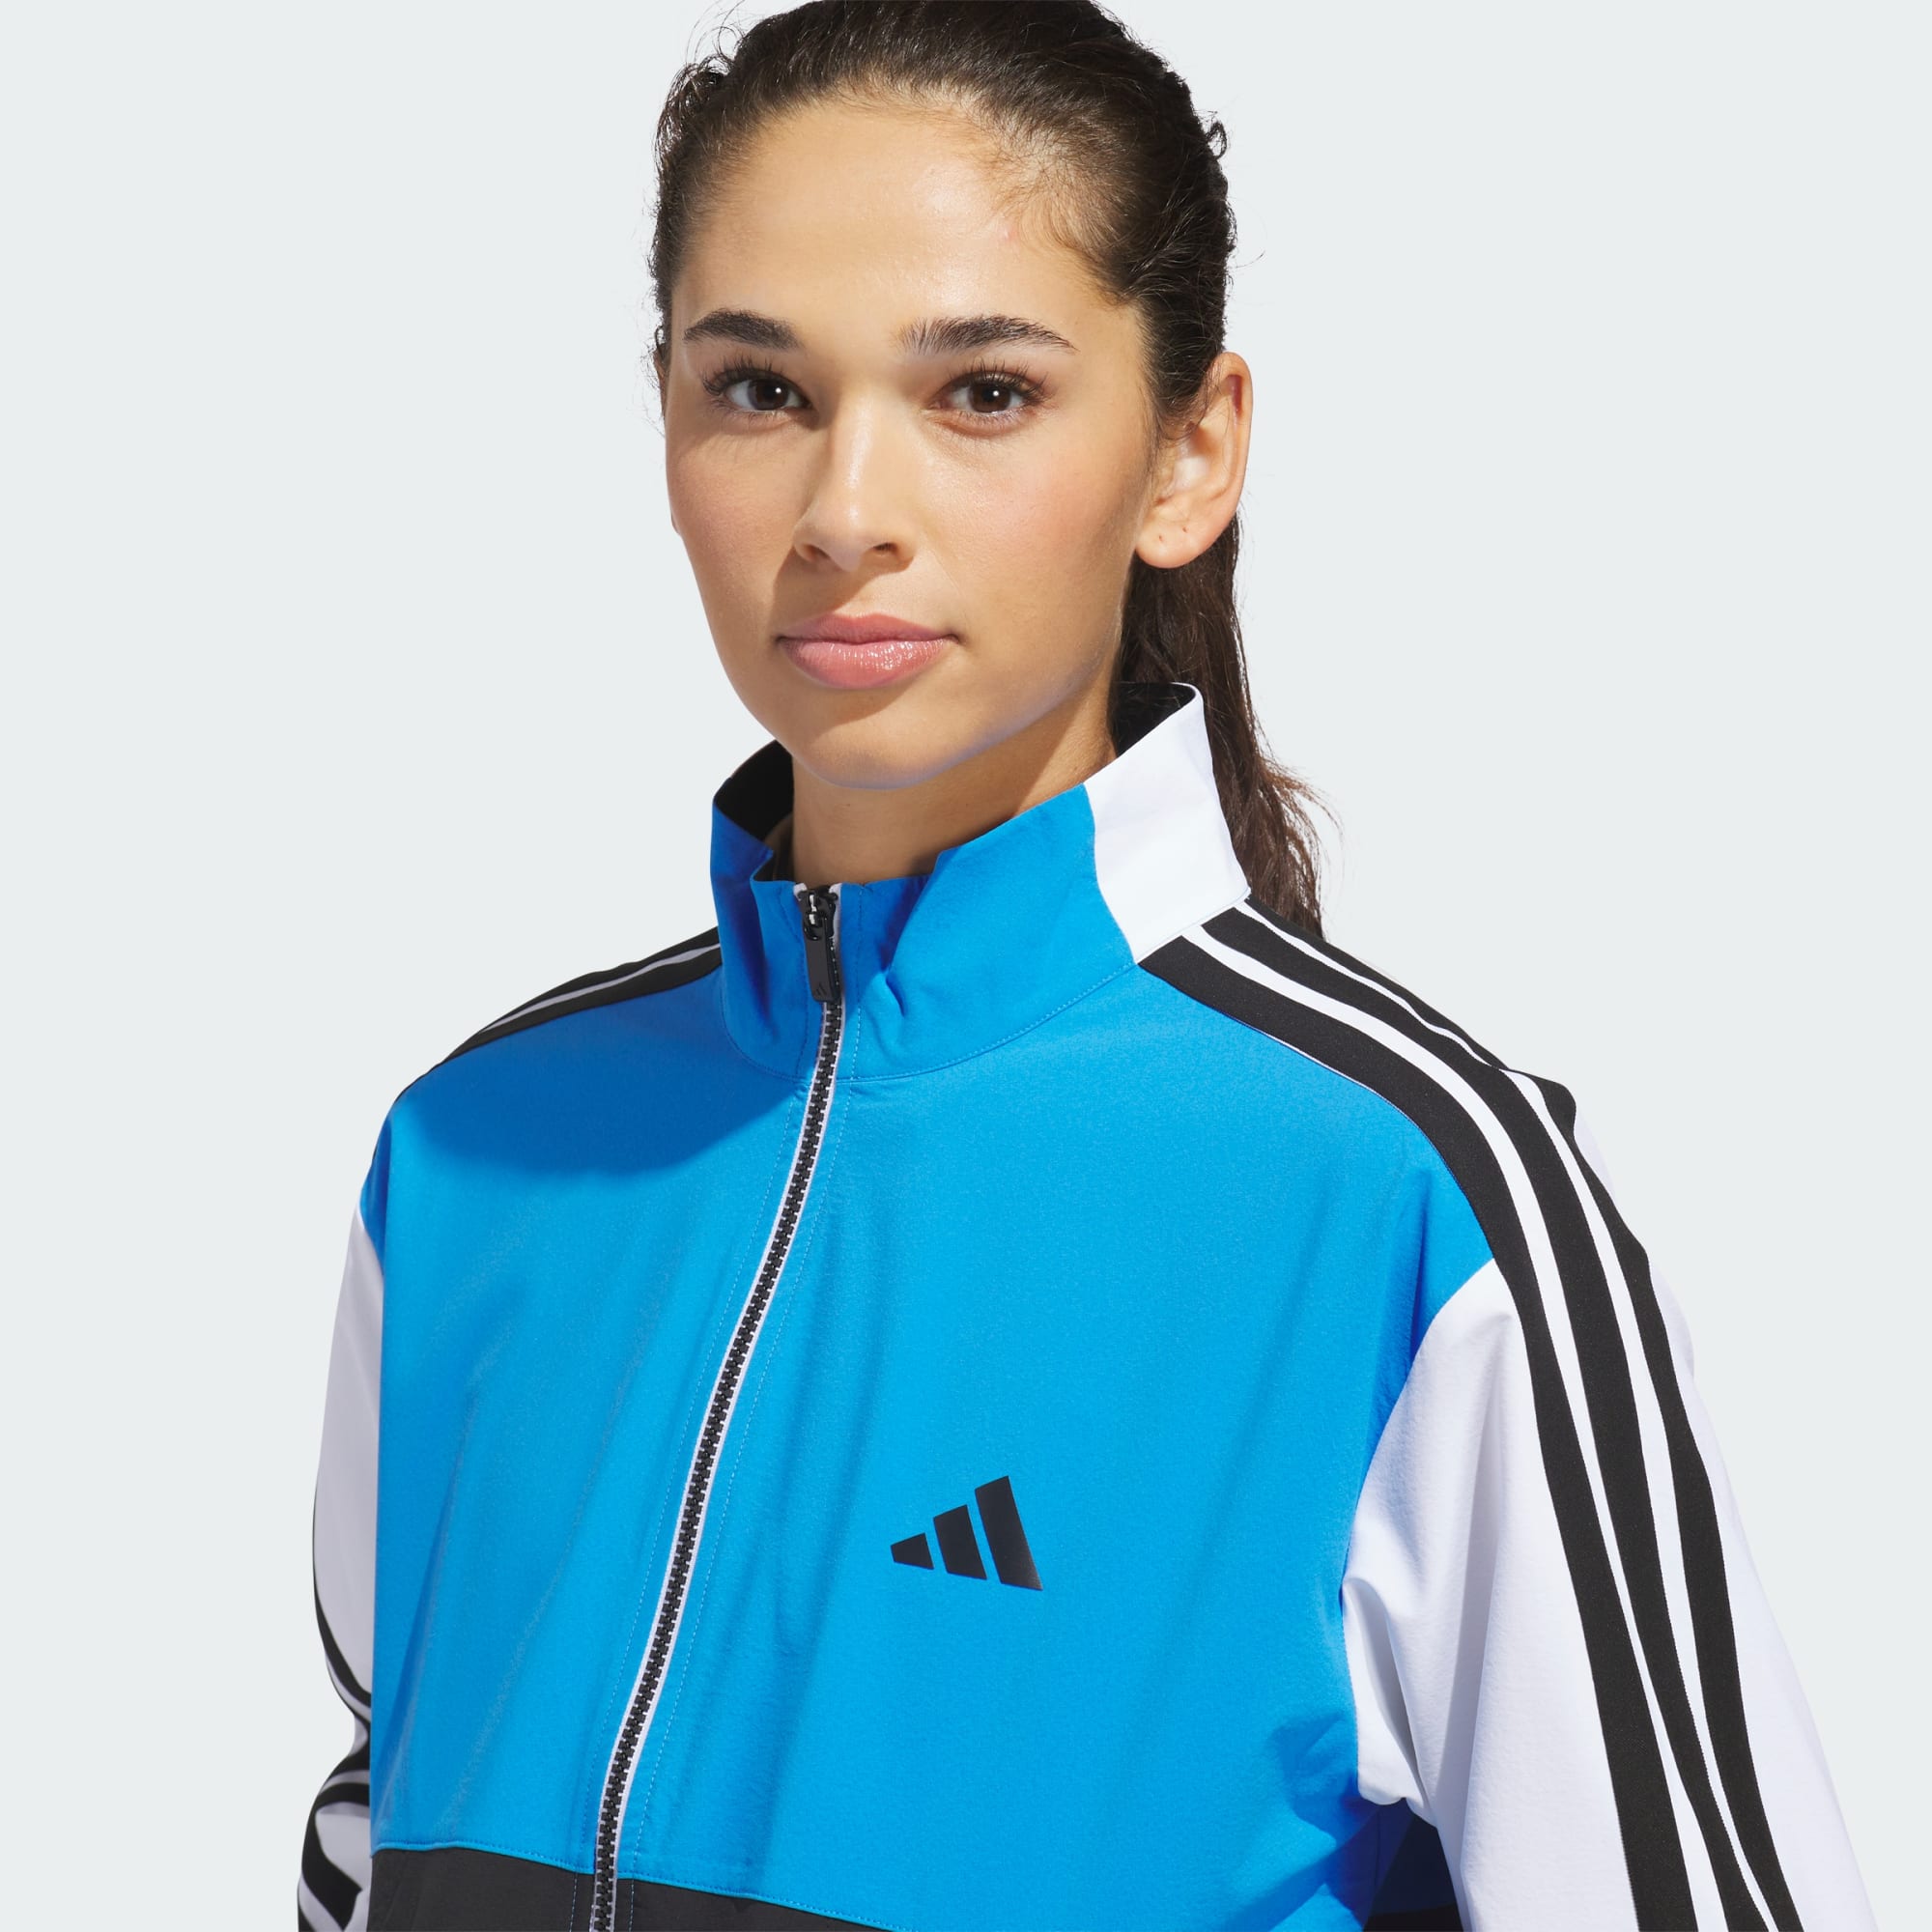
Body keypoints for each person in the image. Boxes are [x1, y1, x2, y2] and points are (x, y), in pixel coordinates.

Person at [297, 5, 1874, 1928]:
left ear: (1188, 454)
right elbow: (377, 1822)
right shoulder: (478, 1151)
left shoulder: (1404, 1204)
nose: (844, 514)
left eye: (982, 393)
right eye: (760, 389)